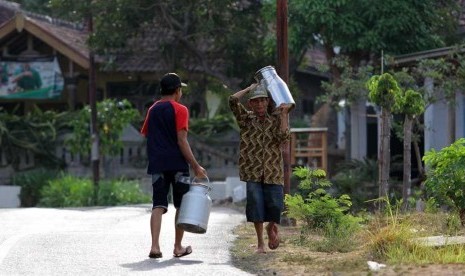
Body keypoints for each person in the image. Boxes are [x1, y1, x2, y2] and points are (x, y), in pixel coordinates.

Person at [140, 72, 207, 259]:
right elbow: (182, 141)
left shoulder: (152, 110)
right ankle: (177, 247)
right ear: (178, 91)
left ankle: (155, 247)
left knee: (158, 205)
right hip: (178, 165)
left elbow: (146, 133)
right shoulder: (180, 109)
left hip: (157, 164)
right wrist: (195, 165)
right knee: (181, 206)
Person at [229, 81, 290, 254]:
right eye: (256, 101)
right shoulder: (246, 119)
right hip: (252, 171)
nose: (260, 104)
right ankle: (260, 244)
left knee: (276, 206)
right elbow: (233, 100)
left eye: (263, 100)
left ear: (268, 101)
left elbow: (283, 138)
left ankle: (271, 227)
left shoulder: (276, 119)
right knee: (256, 207)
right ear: (250, 104)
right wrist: (249, 88)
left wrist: (284, 115)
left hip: (273, 171)